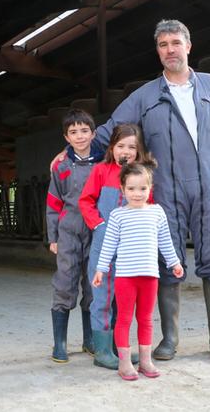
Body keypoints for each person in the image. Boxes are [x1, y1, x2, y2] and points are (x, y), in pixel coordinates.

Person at [52, 19, 210, 362]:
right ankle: (169, 339)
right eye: (163, 45)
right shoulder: (145, 96)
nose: (170, 50)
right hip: (165, 193)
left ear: (188, 46)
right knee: (165, 263)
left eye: (176, 43)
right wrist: (74, 152)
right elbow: (110, 132)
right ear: (158, 52)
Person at [93, 161, 184, 381]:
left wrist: (174, 262)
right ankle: (124, 364)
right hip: (125, 278)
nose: (137, 193)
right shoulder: (117, 215)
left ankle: (145, 361)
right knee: (123, 319)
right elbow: (109, 245)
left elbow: (165, 241)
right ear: (123, 189)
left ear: (150, 188)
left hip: (150, 276)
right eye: (131, 189)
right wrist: (100, 269)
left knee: (146, 319)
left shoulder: (157, 212)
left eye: (142, 188)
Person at [79, 123, 153, 369]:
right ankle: (102, 351)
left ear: (138, 150)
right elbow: (86, 200)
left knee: (123, 299)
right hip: (104, 243)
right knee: (102, 295)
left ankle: (117, 347)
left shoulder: (141, 175)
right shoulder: (102, 170)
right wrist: (98, 225)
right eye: (120, 145)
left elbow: (149, 207)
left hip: (131, 248)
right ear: (112, 148)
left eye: (132, 147)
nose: (126, 151)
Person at [46, 109, 105, 362]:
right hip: (68, 230)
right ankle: (59, 343)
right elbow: (53, 203)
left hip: (96, 229)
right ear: (66, 138)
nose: (79, 136)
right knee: (65, 283)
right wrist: (53, 237)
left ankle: (89, 340)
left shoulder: (105, 163)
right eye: (73, 132)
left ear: (93, 133)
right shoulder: (61, 166)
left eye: (84, 131)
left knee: (94, 285)